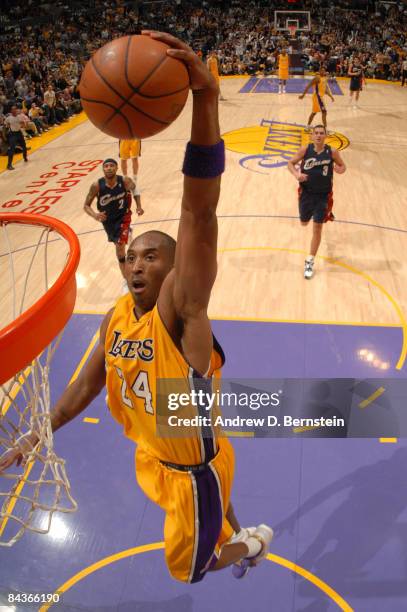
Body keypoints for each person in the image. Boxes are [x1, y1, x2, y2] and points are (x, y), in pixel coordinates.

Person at [0, 31, 273, 584]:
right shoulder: (117, 318)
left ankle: (251, 546)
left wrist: (207, 100)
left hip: (191, 470)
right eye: (132, 257)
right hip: (155, 454)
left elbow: (199, 213)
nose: (137, 265)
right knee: (209, 484)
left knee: (188, 571)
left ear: (176, 271)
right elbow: (86, 385)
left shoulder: (182, 313)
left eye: (153, 257)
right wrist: (39, 431)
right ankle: (230, 520)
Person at [287, 125, 346, 279]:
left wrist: (341, 169)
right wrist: (296, 175)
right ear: (312, 136)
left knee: (317, 228)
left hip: (323, 196)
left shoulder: (332, 152)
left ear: (325, 136)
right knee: (304, 222)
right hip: (306, 194)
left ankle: (309, 261)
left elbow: (342, 166)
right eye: (316, 133)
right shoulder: (305, 150)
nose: (319, 135)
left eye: (322, 133)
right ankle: (308, 216)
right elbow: (290, 163)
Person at [83, 159, 144, 276]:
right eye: (106, 166)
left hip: (123, 216)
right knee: (118, 245)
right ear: (103, 169)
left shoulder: (124, 181)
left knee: (120, 247)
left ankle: (127, 278)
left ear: (117, 168)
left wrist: (139, 206)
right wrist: (95, 215)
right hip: (108, 221)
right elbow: (86, 206)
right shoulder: (96, 186)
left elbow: (135, 188)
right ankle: (127, 235)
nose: (109, 168)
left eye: (112, 166)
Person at [299, 66, 334, 131]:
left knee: (314, 112)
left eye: (324, 70)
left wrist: (331, 96)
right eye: (321, 70)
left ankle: (307, 126)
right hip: (317, 97)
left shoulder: (325, 78)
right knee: (324, 112)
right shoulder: (317, 78)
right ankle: (325, 130)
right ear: (319, 71)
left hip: (320, 97)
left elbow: (324, 89)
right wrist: (303, 95)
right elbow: (308, 86)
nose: (322, 72)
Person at [4, 105, 28, 170]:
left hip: (19, 133)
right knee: (11, 149)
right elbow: (6, 124)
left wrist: (23, 125)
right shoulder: (8, 118)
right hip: (13, 134)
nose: (14, 110)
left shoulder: (19, 117)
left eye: (15, 109)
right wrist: (5, 135)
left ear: (16, 110)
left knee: (24, 146)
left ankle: (25, 157)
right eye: (12, 109)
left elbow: (23, 124)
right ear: (11, 111)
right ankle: (9, 165)